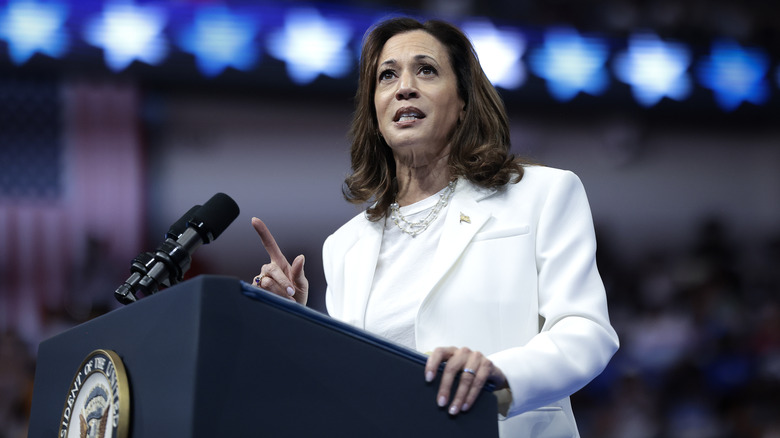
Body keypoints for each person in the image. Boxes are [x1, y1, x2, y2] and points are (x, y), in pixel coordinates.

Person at [251, 17, 619, 438]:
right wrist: (293, 322)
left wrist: (499, 374)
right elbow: (349, 383)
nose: (404, 86)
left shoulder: (544, 194)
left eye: (426, 69)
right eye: (387, 75)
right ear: (375, 107)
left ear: (463, 101)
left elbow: (586, 332)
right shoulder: (345, 246)